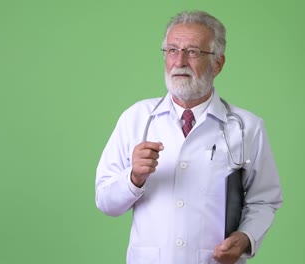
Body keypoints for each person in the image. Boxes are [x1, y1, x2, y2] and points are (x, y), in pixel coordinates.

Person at [95, 10, 283, 264]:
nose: (179, 61)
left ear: (217, 63)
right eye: (172, 50)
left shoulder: (247, 127)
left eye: (193, 51)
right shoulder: (136, 118)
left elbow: (264, 200)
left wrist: (246, 237)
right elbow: (106, 201)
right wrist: (134, 178)